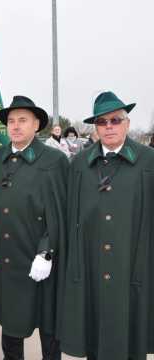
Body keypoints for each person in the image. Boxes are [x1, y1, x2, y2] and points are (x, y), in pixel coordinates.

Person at [59, 91, 154, 360]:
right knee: (96, 335)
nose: (109, 126)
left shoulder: (149, 161)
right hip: (92, 265)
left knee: (131, 334)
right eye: (102, 122)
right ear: (95, 127)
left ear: (127, 123)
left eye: (115, 120)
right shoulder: (78, 164)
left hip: (133, 265)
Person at [0, 95, 68, 360]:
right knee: (11, 326)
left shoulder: (53, 161)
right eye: (11, 121)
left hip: (38, 255)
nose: (15, 126)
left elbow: (60, 212)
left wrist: (47, 251)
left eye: (23, 120)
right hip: (6, 255)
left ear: (37, 124)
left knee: (48, 326)